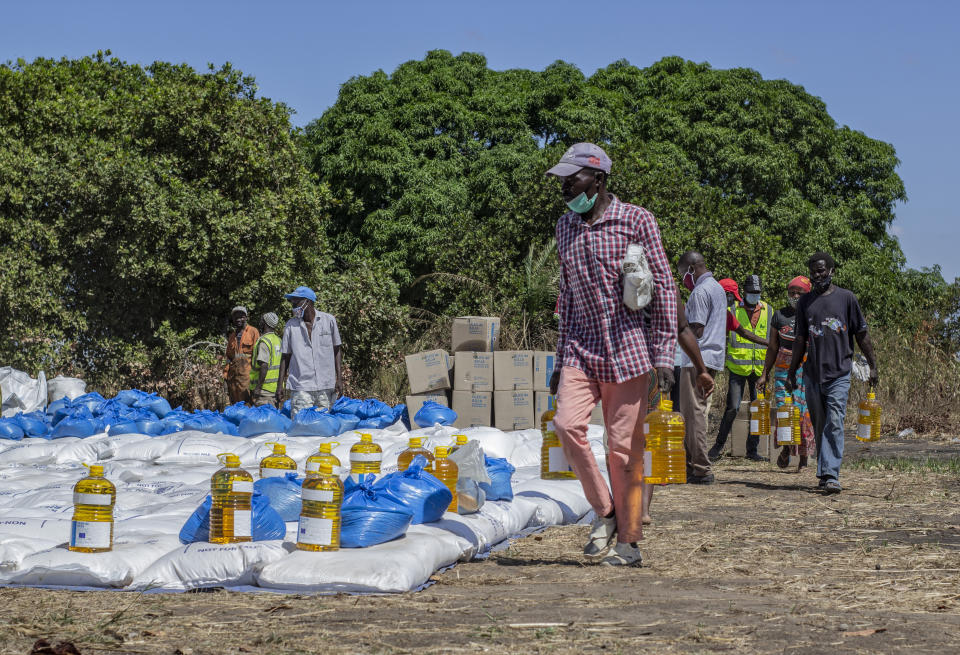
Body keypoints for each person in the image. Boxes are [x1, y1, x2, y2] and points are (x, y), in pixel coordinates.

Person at [546, 143, 677, 567]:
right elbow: (566, 296)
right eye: (563, 181)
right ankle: (604, 510)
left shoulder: (635, 220)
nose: (566, 188)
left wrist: (663, 355)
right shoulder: (565, 227)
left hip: (628, 350)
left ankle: (628, 543)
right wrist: (559, 357)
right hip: (581, 349)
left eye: (573, 179)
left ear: (598, 180)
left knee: (624, 450)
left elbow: (664, 288)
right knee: (567, 426)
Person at [787, 252, 879, 494]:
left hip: (839, 372)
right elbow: (800, 338)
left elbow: (861, 333)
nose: (818, 275)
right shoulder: (805, 302)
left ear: (831, 270)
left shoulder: (846, 298)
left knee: (835, 422)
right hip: (812, 374)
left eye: (822, 270)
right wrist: (791, 370)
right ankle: (824, 470)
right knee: (819, 424)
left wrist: (873, 364)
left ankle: (831, 474)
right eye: (814, 271)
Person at [643, 301, 716, 524]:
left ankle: (642, 508)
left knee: (650, 436)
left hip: (654, 369)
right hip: (623, 367)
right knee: (626, 439)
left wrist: (701, 370)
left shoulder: (664, 287)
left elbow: (682, 329)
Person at [675, 251, 727, 485]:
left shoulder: (700, 292)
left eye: (682, 275)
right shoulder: (717, 288)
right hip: (712, 357)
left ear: (692, 269)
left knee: (693, 414)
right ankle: (692, 464)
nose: (683, 281)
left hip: (698, 360)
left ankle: (700, 468)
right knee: (697, 411)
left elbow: (695, 331)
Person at [709, 275, 771, 462]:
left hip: (759, 369)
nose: (754, 295)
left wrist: (767, 370)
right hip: (737, 367)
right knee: (732, 408)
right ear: (744, 292)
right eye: (751, 292)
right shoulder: (732, 309)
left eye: (757, 292)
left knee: (758, 409)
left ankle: (752, 450)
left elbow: (772, 338)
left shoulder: (769, 310)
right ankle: (718, 447)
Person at [758, 276, 815, 471]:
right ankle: (786, 447)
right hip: (782, 369)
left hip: (805, 368)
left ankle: (804, 458)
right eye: (792, 292)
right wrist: (765, 374)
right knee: (785, 411)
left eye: (800, 293)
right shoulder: (780, 316)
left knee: (803, 414)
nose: (795, 296)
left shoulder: (812, 315)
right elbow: (773, 347)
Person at [276, 286, 343, 419]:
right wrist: (280, 385)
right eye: (292, 303)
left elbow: (337, 350)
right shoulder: (290, 325)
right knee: (301, 427)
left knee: (323, 426)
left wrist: (339, 379)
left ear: (308, 302)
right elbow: (285, 357)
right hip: (301, 387)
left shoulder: (328, 321)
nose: (293, 306)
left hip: (325, 386)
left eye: (296, 302)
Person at [224, 306, 260, 405]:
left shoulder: (253, 332)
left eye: (241, 317)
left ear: (246, 318)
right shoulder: (232, 336)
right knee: (236, 405)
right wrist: (225, 376)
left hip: (247, 378)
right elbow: (228, 358)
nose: (239, 319)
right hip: (234, 379)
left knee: (248, 405)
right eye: (236, 317)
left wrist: (257, 378)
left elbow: (258, 356)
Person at [250, 312, 282, 407]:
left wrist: (258, 388)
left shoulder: (264, 341)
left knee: (263, 421)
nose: (260, 323)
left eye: (261, 321)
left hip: (264, 391)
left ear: (265, 323)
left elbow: (264, 365)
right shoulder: (278, 340)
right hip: (275, 389)